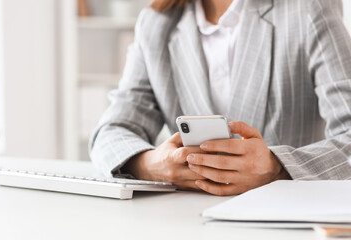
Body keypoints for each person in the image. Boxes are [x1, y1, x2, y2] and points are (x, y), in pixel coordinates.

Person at [89, 0, 351, 196]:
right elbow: (111, 132)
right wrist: (150, 165)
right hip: (186, 221)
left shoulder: (309, 9)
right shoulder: (156, 23)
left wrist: (277, 168)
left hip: (284, 217)